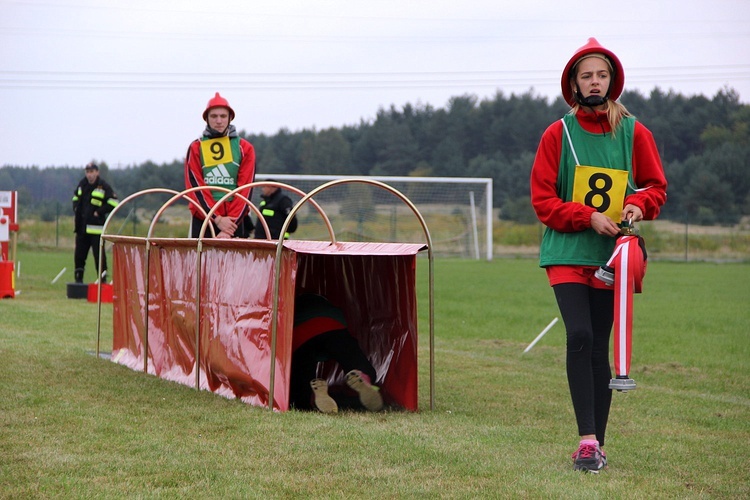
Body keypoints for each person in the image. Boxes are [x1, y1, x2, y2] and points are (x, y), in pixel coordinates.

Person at [530, 38, 668, 473]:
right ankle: (584, 438)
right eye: (587, 75)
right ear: (573, 82)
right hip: (567, 252)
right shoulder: (558, 133)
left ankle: (596, 446)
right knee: (580, 336)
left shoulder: (634, 132)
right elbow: (542, 200)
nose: (595, 82)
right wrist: (586, 217)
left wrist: (637, 206)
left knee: (599, 349)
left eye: (602, 75)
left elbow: (655, 187)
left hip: (612, 258)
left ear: (613, 81)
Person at [291, 293, 383, 413]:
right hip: (333, 325)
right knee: (353, 359)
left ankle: (312, 394)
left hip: (301, 333)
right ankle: (363, 377)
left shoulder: (291, 296)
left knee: (301, 384)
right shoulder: (320, 299)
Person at [184, 92, 256, 238]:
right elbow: (196, 188)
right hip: (204, 220)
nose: (218, 121)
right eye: (213, 116)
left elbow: (245, 189)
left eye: (223, 116)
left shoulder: (245, 148)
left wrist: (229, 226)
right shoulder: (196, 148)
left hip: (233, 222)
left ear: (230, 118)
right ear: (207, 119)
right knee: (201, 261)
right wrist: (216, 218)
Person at [72, 162, 119, 283]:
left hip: (96, 229)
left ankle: (102, 280)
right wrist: (76, 208)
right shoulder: (82, 184)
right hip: (81, 228)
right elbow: (75, 197)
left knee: (99, 256)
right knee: (79, 256)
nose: (89, 175)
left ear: (97, 172)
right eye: (87, 172)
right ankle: (78, 280)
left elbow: (114, 202)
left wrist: (99, 212)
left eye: (92, 172)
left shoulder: (103, 186)